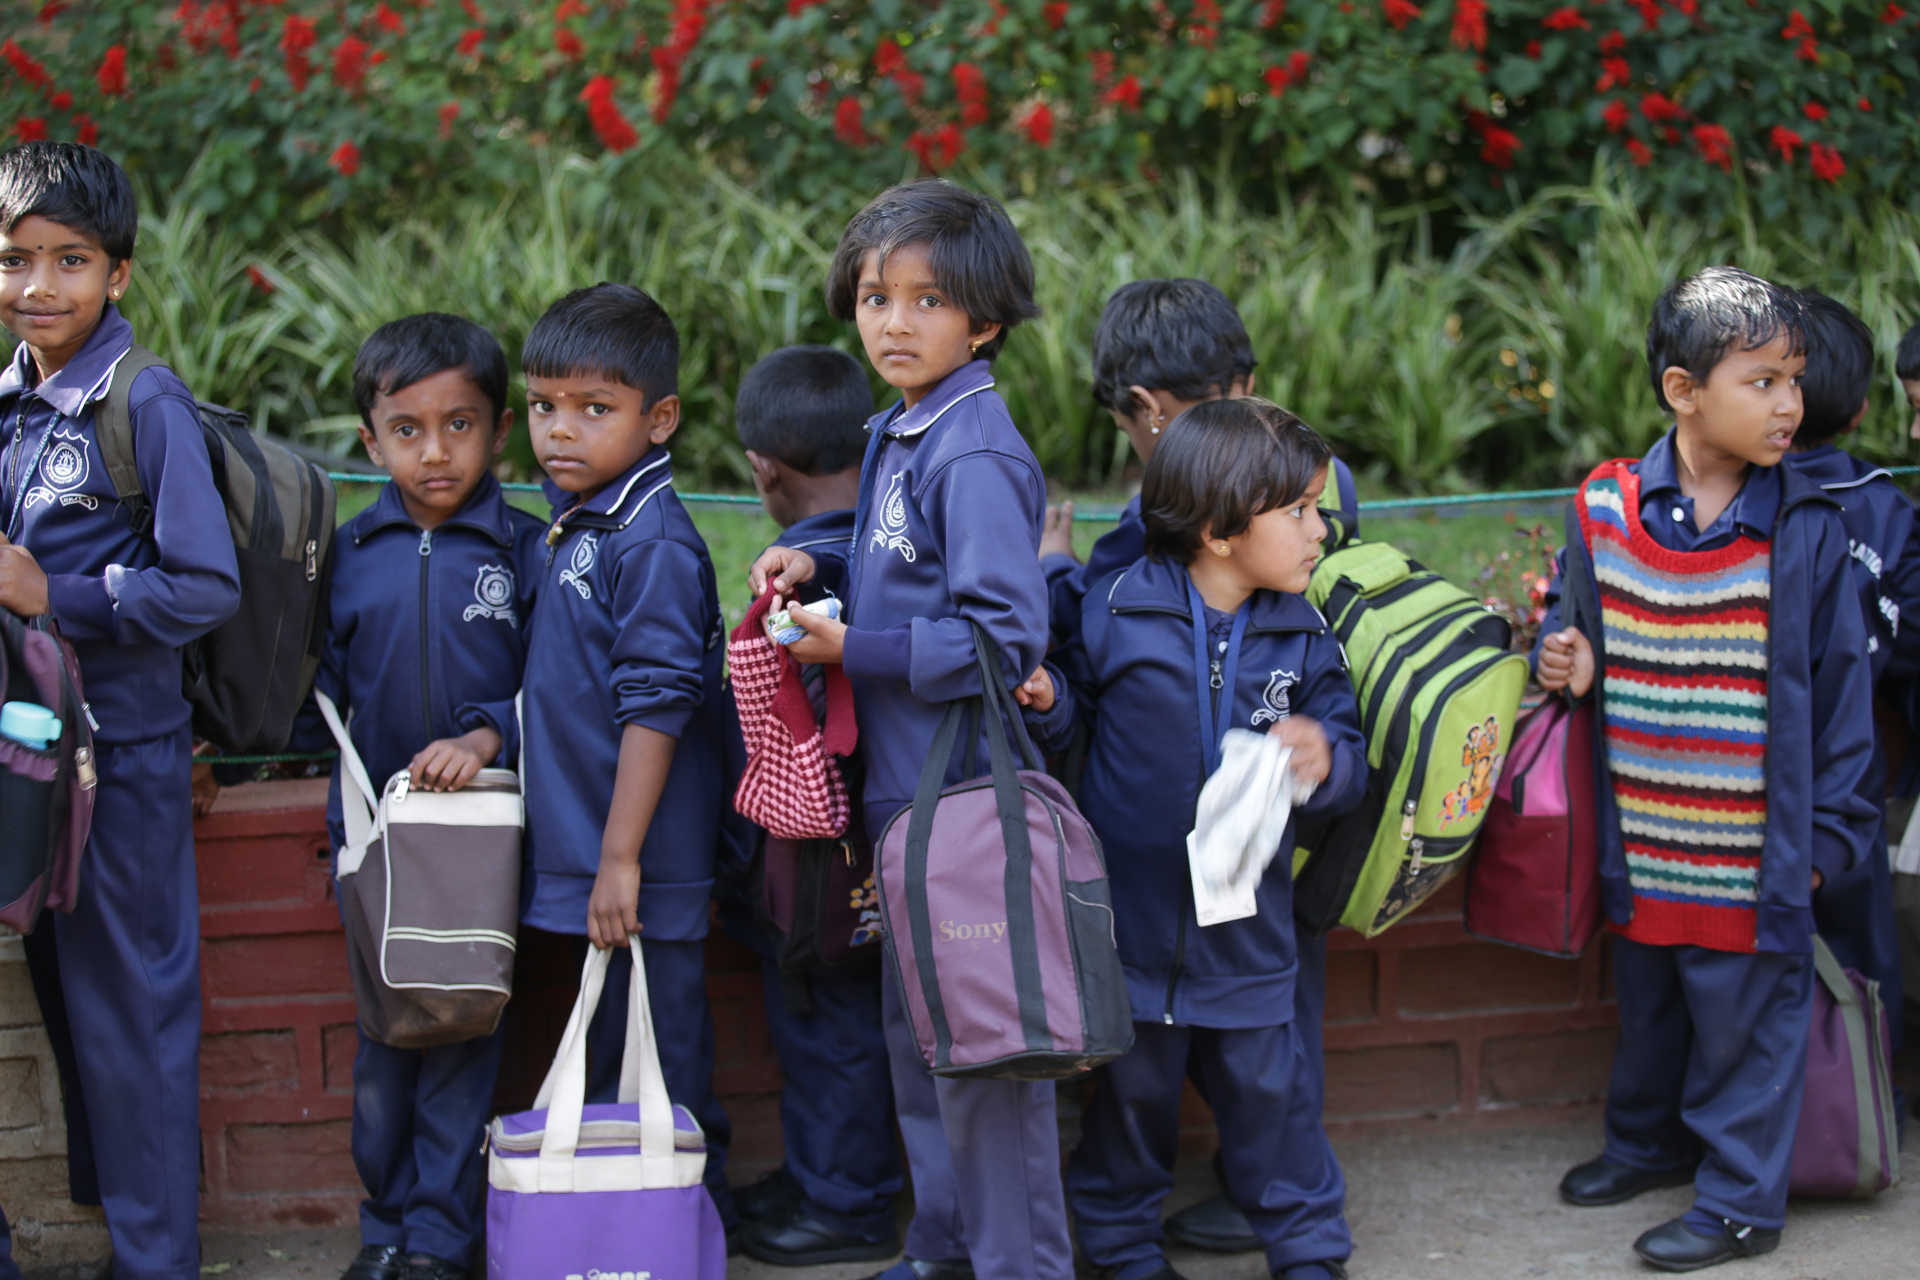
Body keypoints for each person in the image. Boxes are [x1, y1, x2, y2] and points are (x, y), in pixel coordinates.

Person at [749, 180, 1066, 1280]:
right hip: (900, 800)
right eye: (877, 295)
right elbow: (905, 574)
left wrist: (854, 651)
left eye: (927, 299)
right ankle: (941, 1251)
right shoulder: (901, 427)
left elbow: (999, 640)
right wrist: (818, 563)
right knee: (921, 1042)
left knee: (984, 1060)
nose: (893, 320)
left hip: (964, 793)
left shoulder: (970, 449)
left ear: (983, 321)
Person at [1536, 267, 1878, 1273]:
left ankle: (1738, 1200)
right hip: (1644, 837)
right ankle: (1646, 1145)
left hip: (1754, 854)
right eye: (1763, 380)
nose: (1790, 404)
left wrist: (1824, 845)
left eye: (1794, 380)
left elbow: (1843, 698)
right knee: (1649, 1005)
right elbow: (1576, 627)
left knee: (1745, 1028)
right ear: (1685, 392)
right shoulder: (1604, 506)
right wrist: (1567, 658)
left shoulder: (1806, 527)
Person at [1036, 278, 1358, 1254]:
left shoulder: (1304, 635)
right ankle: (1124, 1249)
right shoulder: (1118, 604)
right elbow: (1076, 715)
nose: (1321, 526)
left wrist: (1324, 756)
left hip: (1251, 942)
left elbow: (1346, 751)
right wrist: (1049, 702)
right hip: (1130, 938)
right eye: (1299, 512)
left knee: (1276, 1107)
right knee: (1126, 1114)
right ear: (1219, 529)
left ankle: (1309, 1246)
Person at [0, 142, 240, 1280]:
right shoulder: (10, 403)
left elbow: (204, 586)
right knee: (66, 1001)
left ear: (120, 275)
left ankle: (160, 1261)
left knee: (134, 1014)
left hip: (121, 763)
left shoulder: (145, 403)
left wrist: (61, 594)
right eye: (16, 259)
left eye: (70, 260)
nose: (39, 285)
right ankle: (126, 1234)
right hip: (26, 754)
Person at [311, 314, 545, 1280]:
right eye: (407, 429)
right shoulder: (348, 554)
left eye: (461, 424)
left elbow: (557, 689)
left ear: (498, 431)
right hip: (373, 845)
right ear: (370, 440)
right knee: (383, 1048)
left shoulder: (527, 552)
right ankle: (386, 1229)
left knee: (459, 1041)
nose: (435, 450)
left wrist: (491, 731)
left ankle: (442, 1243)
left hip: (480, 844)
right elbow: (318, 692)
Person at [514, 283, 738, 1230]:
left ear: (660, 419)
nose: (561, 430)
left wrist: (619, 860)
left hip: (642, 864)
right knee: (614, 1053)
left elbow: (657, 709)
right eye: (543, 406)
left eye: (594, 410)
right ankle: (622, 1234)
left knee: (663, 1056)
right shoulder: (581, 519)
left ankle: (688, 1231)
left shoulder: (649, 542)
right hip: (596, 854)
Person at [720, 345, 904, 1265]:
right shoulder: (892, 548)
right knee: (857, 1016)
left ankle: (848, 1204)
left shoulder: (792, 578)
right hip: (896, 828)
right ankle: (826, 1177)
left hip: (816, 851)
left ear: (762, 468)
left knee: (826, 1020)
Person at [1036, 278, 1358, 648]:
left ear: (1148, 408)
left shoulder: (1167, 508)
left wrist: (1055, 562)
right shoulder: (1332, 475)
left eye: (1126, 429)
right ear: (1248, 383)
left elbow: (1081, 611)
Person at [1783, 291, 1918, 1068]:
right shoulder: (1889, 512)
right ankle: (1874, 1109)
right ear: (1863, 410)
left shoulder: (1741, 498)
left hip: (1752, 766)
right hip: (1857, 772)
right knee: (1866, 951)